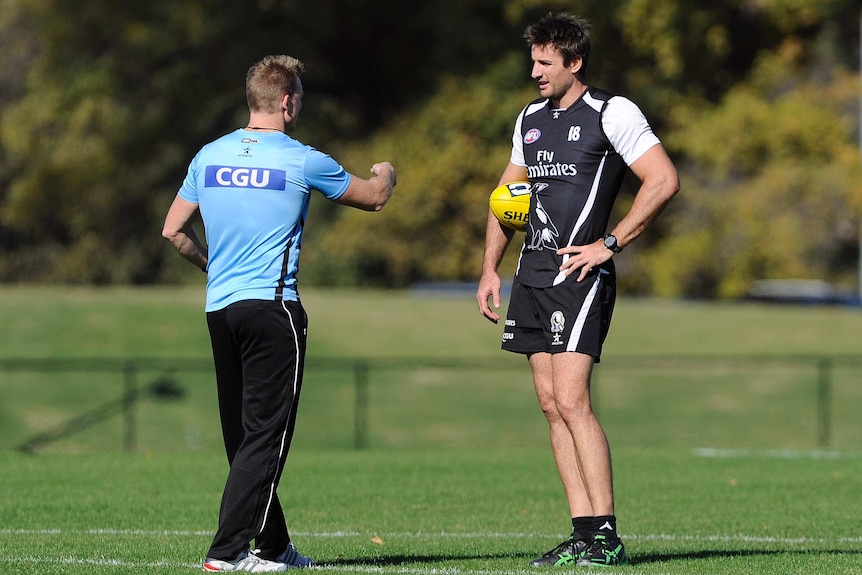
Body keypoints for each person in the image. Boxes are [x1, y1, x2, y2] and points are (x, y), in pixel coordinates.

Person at [162, 55, 396, 573]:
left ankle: (271, 546)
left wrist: (214, 267)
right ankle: (226, 554)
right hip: (273, 310)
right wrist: (387, 171)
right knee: (267, 435)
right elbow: (374, 197)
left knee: (241, 437)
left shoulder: (209, 155)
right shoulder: (301, 159)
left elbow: (173, 232)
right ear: (288, 102)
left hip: (221, 310)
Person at [476, 13, 679, 568]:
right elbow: (505, 196)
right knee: (549, 405)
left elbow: (663, 180)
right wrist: (491, 268)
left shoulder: (613, 112)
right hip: (532, 274)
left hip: (580, 276)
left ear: (574, 61)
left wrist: (609, 244)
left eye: (545, 63)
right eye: (533, 61)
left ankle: (608, 534)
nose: (535, 72)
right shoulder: (530, 118)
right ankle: (584, 532)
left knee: (572, 400)